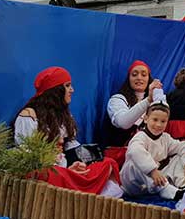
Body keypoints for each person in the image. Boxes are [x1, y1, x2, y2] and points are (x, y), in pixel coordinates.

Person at [13, 66, 123, 197]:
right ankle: (82, 191)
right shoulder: (28, 115)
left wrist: (80, 161)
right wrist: (63, 168)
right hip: (45, 169)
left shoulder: (63, 115)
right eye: (67, 86)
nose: (72, 90)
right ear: (55, 90)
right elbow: (27, 152)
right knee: (50, 176)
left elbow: (70, 145)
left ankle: (81, 189)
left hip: (64, 166)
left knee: (107, 163)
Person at [121, 101, 185, 200]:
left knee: (177, 158)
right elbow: (136, 151)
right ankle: (171, 192)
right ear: (146, 119)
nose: (158, 125)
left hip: (155, 182)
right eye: (155, 120)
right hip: (135, 185)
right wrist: (152, 170)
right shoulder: (140, 137)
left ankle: (184, 186)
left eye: (163, 121)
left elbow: (183, 147)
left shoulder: (165, 138)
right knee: (135, 163)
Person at [104, 60, 162, 166]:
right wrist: (148, 100)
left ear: (149, 79)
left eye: (144, 75)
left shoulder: (156, 102)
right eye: (134, 74)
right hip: (122, 161)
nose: (139, 77)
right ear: (128, 79)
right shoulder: (117, 100)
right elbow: (123, 122)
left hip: (150, 158)